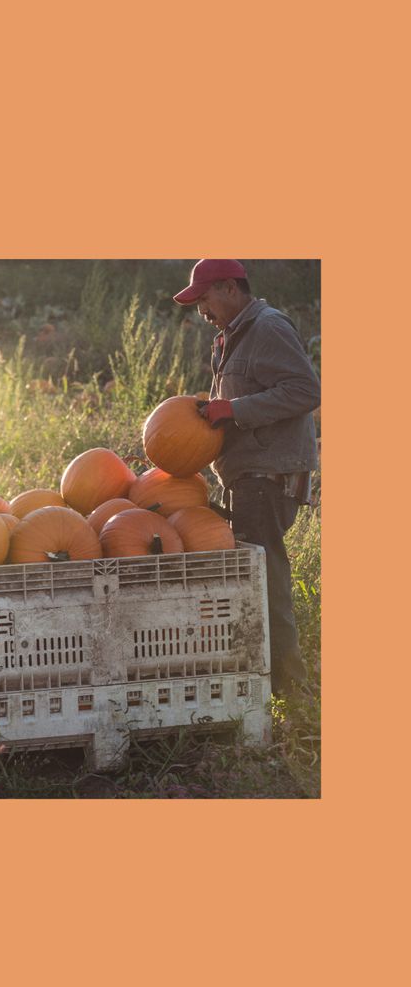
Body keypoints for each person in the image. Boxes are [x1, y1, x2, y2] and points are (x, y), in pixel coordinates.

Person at [173, 259, 320, 697]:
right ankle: (268, 684)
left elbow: (306, 390)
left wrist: (234, 409)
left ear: (229, 288)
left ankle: (290, 691)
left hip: (266, 476)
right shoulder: (232, 336)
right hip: (247, 476)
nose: (201, 310)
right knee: (254, 581)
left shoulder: (267, 327)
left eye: (204, 298)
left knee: (265, 584)